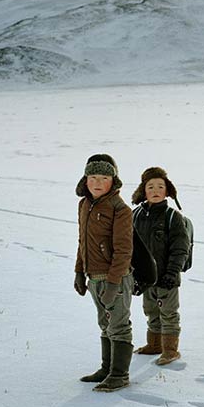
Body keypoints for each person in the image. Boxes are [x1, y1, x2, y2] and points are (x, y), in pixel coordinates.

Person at [73, 153, 134, 392]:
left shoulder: (120, 209)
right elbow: (82, 242)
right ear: (85, 179)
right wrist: (79, 271)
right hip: (93, 277)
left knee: (118, 323)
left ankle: (119, 374)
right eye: (93, 176)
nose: (98, 182)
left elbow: (123, 250)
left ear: (114, 180)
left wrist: (112, 283)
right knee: (104, 323)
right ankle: (107, 368)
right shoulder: (84, 205)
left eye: (104, 177)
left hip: (116, 278)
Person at [130, 167, 190, 365]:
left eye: (160, 186)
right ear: (143, 191)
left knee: (168, 312)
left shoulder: (173, 217)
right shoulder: (136, 215)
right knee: (151, 310)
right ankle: (154, 344)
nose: (155, 190)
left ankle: (170, 350)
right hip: (146, 277)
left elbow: (180, 249)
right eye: (150, 187)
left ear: (167, 191)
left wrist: (172, 273)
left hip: (167, 277)